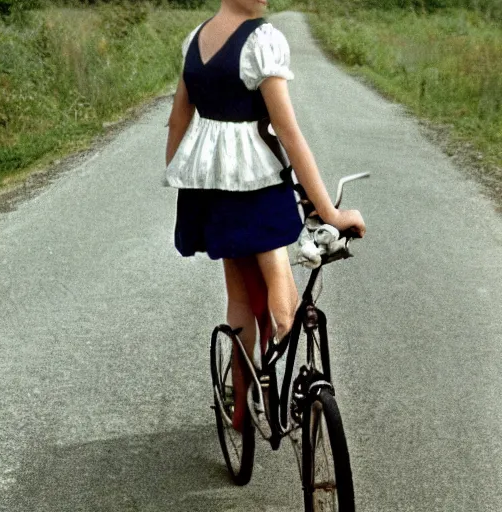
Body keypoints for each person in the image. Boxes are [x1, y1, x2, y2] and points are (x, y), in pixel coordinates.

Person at [165, 0, 366, 432]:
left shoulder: (195, 39)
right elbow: (288, 132)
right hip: (256, 184)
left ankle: (241, 406)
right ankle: (293, 392)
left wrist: (179, 177)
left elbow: (179, 117)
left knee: (238, 296)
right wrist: (329, 211)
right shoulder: (262, 40)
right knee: (279, 281)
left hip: (209, 186)